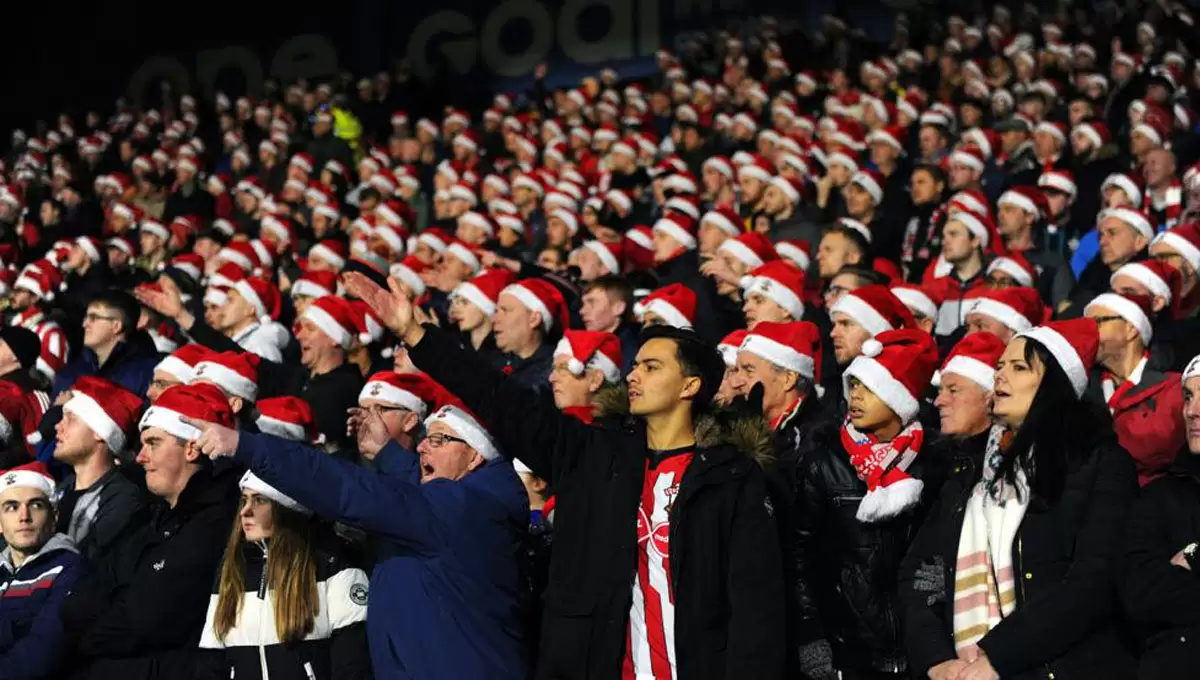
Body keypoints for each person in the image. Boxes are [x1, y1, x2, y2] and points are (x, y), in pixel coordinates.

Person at [344, 271, 785, 679]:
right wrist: (417, 335)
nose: (634, 375)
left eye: (652, 367)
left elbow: (756, 609)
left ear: (690, 385)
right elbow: (502, 400)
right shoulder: (593, 455)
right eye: (636, 365)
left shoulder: (730, 479)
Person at [189, 396, 529, 680]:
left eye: (439, 440)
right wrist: (386, 452)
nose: (423, 446)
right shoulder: (461, 504)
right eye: (426, 437)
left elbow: (350, 489)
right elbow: (409, 491)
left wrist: (247, 446)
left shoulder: (460, 511)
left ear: (475, 455)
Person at [899, 319, 1137, 679]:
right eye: (999, 366)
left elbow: (1094, 581)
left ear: (1054, 384)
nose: (1000, 375)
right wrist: (936, 659)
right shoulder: (970, 471)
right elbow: (920, 573)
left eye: (1019, 367)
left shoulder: (1099, 464)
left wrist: (998, 656)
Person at [60, 383, 241, 679]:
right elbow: (83, 596)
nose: (140, 457)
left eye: (153, 443)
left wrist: (82, 642)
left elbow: (147, 622)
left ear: (192, 448)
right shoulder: (150, 517)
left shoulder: (216, 522)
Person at [793, 329, 941, 679]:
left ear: (900, 398)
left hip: (921, 647)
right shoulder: (823, 463)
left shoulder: (936, 462)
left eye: (870, 388)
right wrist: (811, 636)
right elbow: (799, 556)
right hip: (848, 648)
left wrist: (943, 577)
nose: (855, 395)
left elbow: (946, 542)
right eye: (854, 385)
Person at [197, 449, 371, 679]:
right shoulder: (231, 569)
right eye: (245, 500)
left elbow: (352, 665)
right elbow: (211, 661)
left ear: (287, 508)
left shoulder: (333, 567)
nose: (245, 512)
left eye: (260, 500)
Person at [1121, 353, 1200, 677]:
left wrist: (1191, 557)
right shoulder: (1158, 497)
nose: (1192, 411)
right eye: (1188, 396)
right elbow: (1140, 596)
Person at [0, 462, 88, 680]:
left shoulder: (71, 569)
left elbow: (40, 656)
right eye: (11, 507)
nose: (24, 516)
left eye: (36, 505)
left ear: (54, 515)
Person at [52, 376, 145, 560]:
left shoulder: (123, 499)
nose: (58, 426)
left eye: (71, 419)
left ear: (100, 432)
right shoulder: (62, 490)